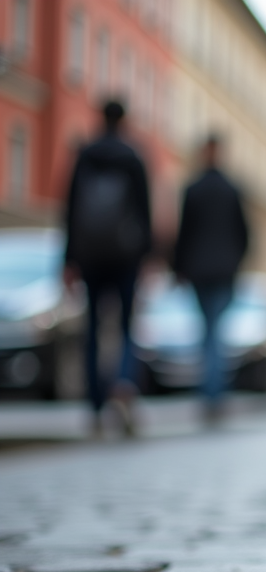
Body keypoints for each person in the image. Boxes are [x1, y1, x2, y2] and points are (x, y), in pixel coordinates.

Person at [64, 100, 151, 437]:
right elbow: (145, 212)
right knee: (128, 326)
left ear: (101, 118)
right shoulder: (133, 156)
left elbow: (70, 207)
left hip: (90, 255)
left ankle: (95, 407)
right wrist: (147, 257)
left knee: (93, 330)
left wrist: (69, 260)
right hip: (127, 255)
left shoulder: (86, 154)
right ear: (125, 120)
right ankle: (125, 385)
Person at [173, 135, 249, 423]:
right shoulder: (232, 189)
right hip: (224, 271)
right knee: (215, 331)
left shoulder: (193, 189)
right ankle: (214, 394)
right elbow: (245, 233)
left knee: (207, 331)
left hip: (198, 271)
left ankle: (210, 393)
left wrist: (178, 268)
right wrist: (235, 261)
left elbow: (184, 233)